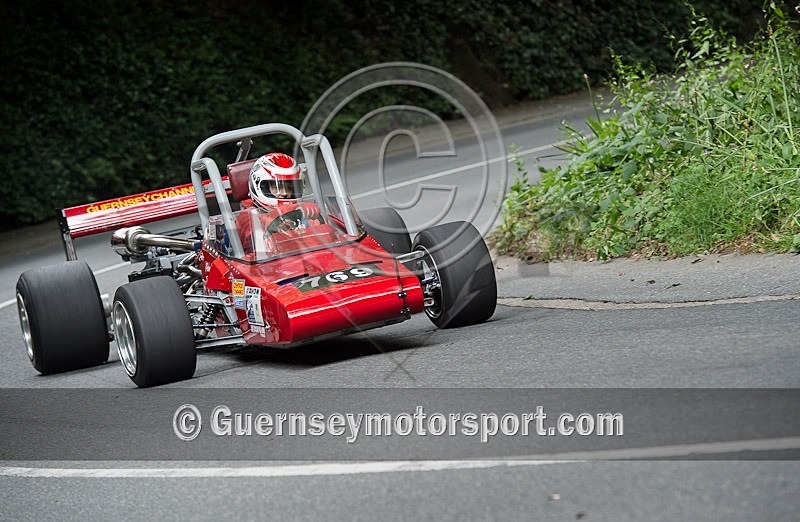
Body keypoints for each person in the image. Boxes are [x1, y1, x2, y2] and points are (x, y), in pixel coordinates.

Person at [235, 152, 322, 254]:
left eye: (290, 187)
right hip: (266, 266)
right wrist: (291, 211)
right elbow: (259, 248)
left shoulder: (304, 212)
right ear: (261, 186)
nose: (285, 193)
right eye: (277, 187)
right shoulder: (247, 217)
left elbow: (324, 238)